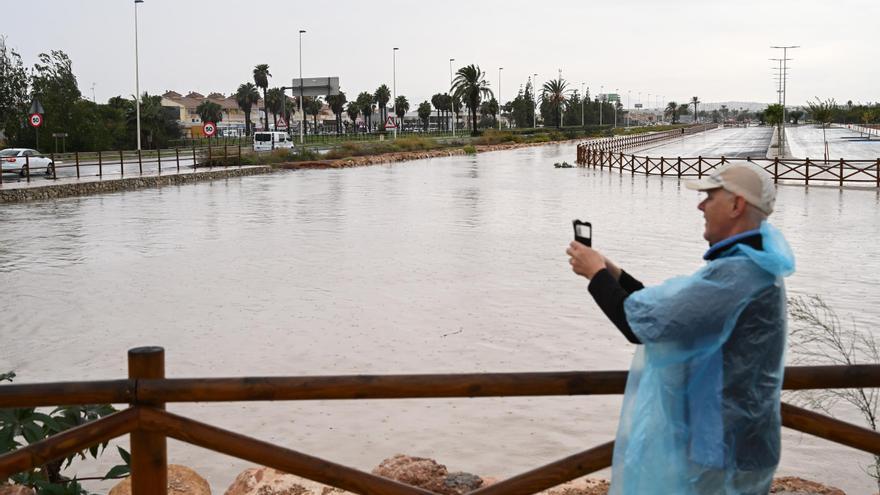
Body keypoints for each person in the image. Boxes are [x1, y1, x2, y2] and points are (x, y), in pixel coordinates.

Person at [566, 162, 795, 495]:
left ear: (736, 205)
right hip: (735, 444)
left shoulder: (737, 275)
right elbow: (669, 309)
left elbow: (641, 324)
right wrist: (611, 272)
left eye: (709, 197)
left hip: (722, 451)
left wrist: (595, 275)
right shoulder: (751, 265)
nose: (700, 205)